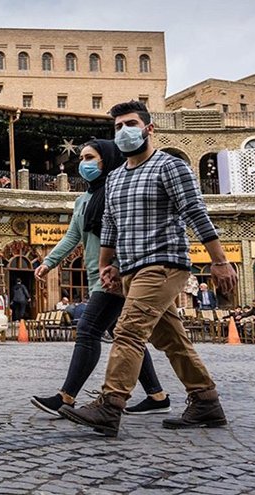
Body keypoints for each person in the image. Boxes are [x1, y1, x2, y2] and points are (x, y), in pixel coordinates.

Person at [59, 100, 237, 436]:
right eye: (118, 127)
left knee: (127, 331)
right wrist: (106, 265)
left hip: (164, 264)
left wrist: (220, 261)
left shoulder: (169, 167)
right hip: (130, 269)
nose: (124, 131)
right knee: (171, 339)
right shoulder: (114, 180)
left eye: (130, 124)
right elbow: (110, 225)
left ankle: (110, 407)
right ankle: (206, 401)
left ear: (148, 129)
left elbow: (195, 213)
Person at [31, 139, 170, 417]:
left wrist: (119, 267)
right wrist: (48, 262)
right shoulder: (82, 200)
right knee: (126, 336)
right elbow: (73, 237)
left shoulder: (117, 192)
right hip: (97, 276)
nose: (84, 164)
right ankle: (156, 396)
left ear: (106, 160)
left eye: (90, 157)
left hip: (116, 276)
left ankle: (66, 397)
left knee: (88, 331)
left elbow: (128, 233)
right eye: (81, 158)